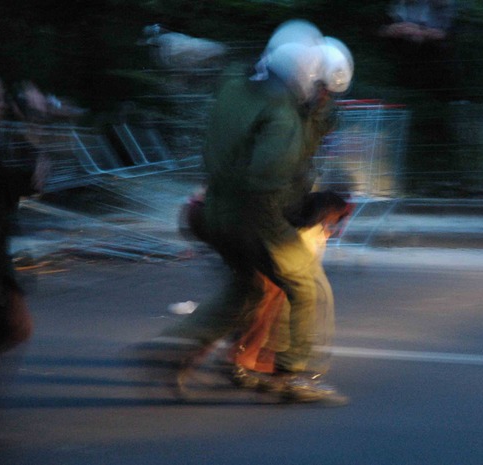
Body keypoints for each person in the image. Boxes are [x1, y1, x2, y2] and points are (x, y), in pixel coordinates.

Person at [133, 20, 354, 402]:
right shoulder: (284, 114)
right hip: (253, 213)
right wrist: (306, 207)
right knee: (300, 284)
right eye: (321, 88)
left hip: (213, 207)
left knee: (250, 287)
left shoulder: (240, 86)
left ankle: (178, 346)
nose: (323, 98)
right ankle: (289, 372)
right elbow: (267, 177)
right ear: (307, 77)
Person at [0, 70, 46, 359]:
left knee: (17, 326)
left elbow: (27, 181)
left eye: (0, 97)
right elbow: (23, 177)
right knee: (16, 325)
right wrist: (33, 121)